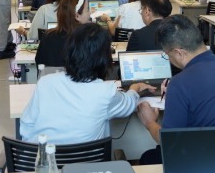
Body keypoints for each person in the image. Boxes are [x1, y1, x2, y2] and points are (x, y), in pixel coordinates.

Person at [136, 15, 215, 164]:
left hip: (213, 164)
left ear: (179, 53)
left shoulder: (179, 84)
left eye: (167, 55)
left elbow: (169, 142)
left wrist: (150, 122)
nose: (169, 59)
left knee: (148, 157)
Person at [19, 23, 153, 144]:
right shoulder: (106, 91)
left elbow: (26, 123)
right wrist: (135, 88)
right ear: (104, 58)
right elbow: (128, 105)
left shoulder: (45, 82)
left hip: (43, 159)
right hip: (88, 163)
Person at [35, 0, 90, 67]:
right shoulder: (87, 39)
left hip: (51, 74)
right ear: (77, 16)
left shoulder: (47, 36)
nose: (90, 13)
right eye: (87, 10)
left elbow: (39, 62)